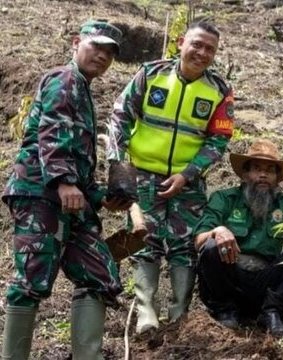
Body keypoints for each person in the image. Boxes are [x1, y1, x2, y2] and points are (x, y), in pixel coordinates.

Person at [1, 20, 131, 359]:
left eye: (109, 53)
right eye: (96, 47)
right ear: (77, 42)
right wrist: (64, 181)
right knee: (32, 278)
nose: (102, 56)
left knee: (98, 272)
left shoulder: (84, 90)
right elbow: (53, 131)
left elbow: (77, 157)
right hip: (42, 194)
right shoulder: (65, 78)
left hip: (71, 200)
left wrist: (102, 196)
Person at [107, 20, 235, 335]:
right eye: (197, 44)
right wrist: (118, 165)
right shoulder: (151, 74)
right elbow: (120, 115)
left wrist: (187, 174)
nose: (202, 53)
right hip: (143, 176)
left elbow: (219, 140)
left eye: (210, 49)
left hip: (187, 182)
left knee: (184, 246)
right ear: (181, 42)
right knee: (144, 241)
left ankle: (180, 315)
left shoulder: (219, 90)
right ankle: (146, 314)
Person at [195, 139, 283, 336]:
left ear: (277, 178)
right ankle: (225, 310)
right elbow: (198, 240)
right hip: (230, 277)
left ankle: (272, 311)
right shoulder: (224, 199)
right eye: (257, 168)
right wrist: (217, 231)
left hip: (266, 283)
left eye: (270, 170)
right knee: (210, 247)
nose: (263, 175)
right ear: (245, 174)